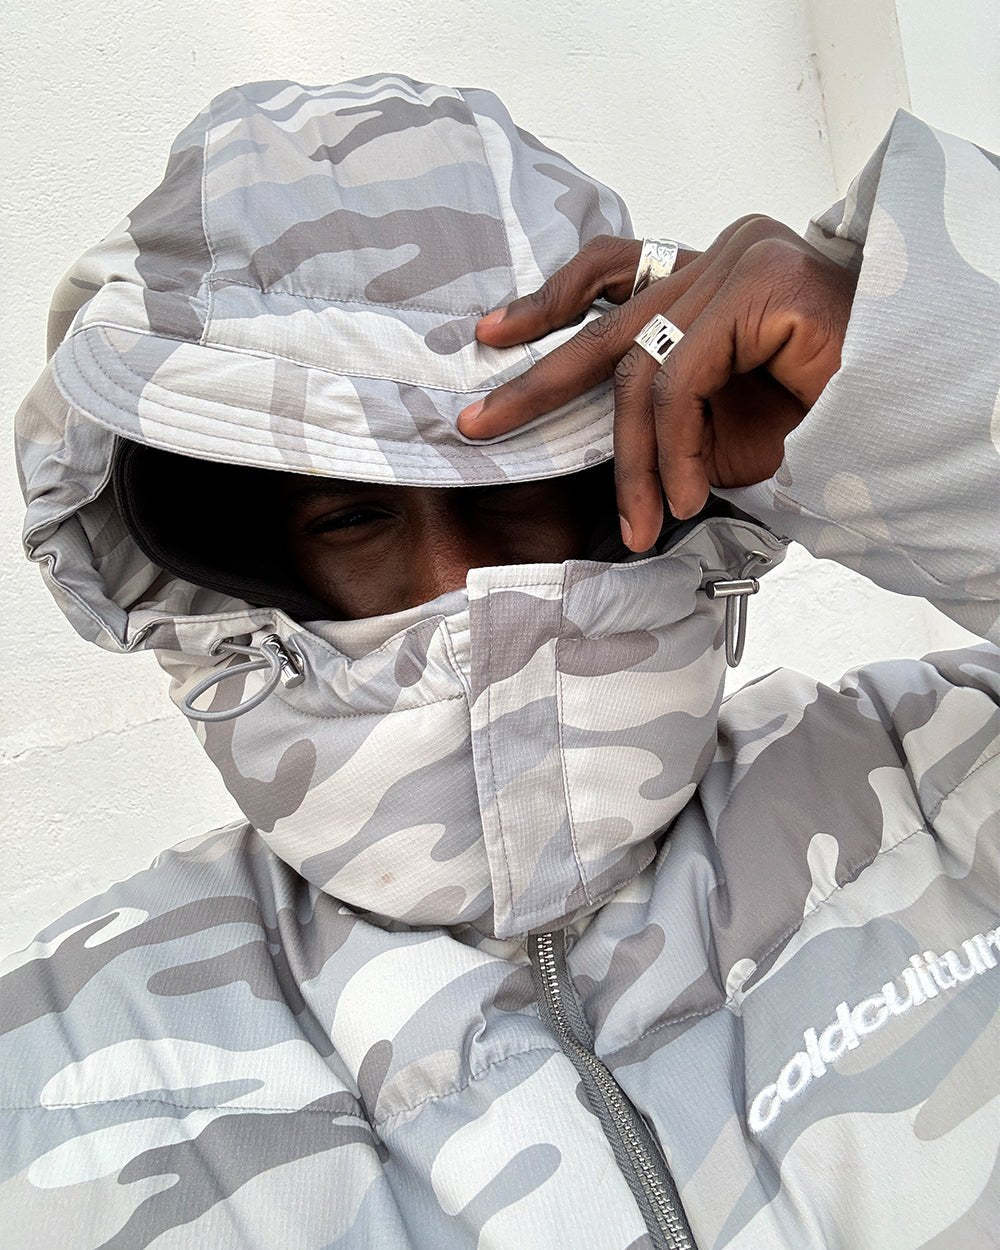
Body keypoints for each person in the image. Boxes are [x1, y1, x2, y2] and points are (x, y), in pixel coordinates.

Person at [2, 72, 997, 1250]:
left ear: (617, 479)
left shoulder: (942, 779)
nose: (456, 586)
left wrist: (926, 386)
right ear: (235, 565)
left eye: (511, 483)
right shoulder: (62, 1053)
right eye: (352, 516)